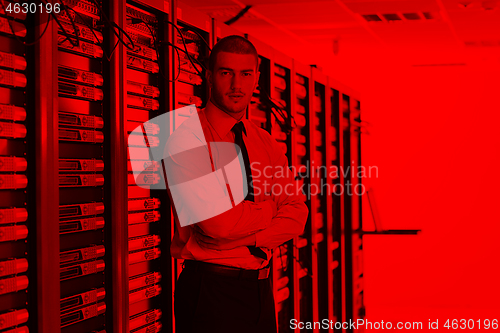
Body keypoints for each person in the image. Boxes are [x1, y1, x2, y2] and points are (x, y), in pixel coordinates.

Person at [164, 35, 309, 333]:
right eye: (226, 73)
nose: (236, 85)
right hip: (209, 290)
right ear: (209, 76)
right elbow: (217, 224)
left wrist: (244, 237)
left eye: (245, 74)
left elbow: (297, 214)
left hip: (260, 288)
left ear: (256, 78)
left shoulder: (264, 142)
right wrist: (270, 208)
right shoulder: (185, 140)